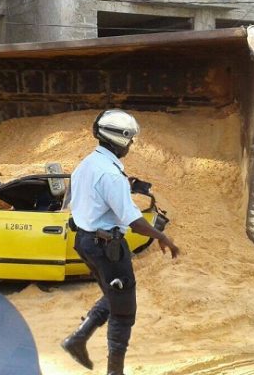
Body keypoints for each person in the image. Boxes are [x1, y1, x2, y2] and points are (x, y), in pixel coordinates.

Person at [62, 109, 179, 375]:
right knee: (124, 310)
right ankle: (115, 372)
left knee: (114, 295)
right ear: (119, 139)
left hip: (85, 242)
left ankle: (78, 339)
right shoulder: (111, 175)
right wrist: (162, 237)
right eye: (130, 139)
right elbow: (133, 220)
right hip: (108, 247)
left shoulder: (86, 164)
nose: (132, 144)